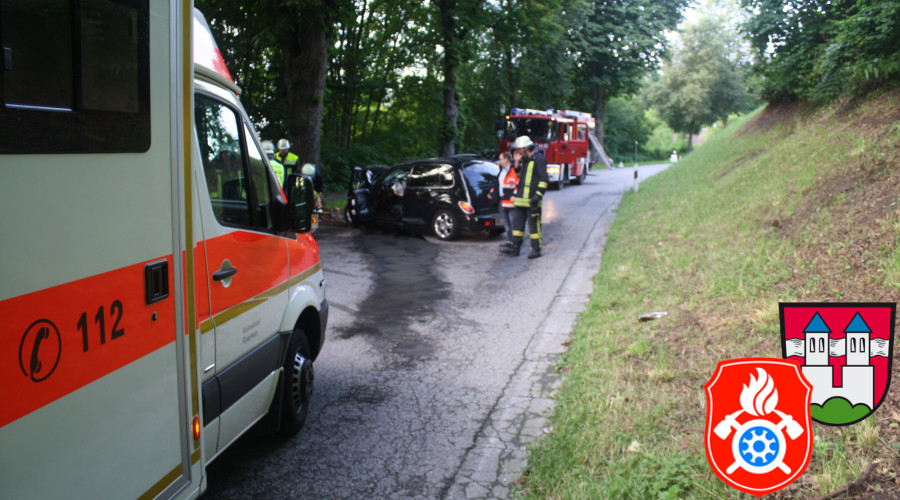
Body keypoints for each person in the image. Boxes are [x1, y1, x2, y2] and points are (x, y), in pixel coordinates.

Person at [500, 135, 548, 258]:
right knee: (517, 227)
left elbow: (544, 180)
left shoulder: (539, 159)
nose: (518, 152)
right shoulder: (525, 161)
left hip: (532, 201)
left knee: (534, 227)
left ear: (525, 148)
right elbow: (519, 177)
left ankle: (536, 250)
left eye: (519, 150)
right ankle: (515, 249)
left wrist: (537, 196)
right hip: (520, 201)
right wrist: (516, 162)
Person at [497, 151, 518, 248]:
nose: (499, 161)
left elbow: (519, 184)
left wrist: (515, 194)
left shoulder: (514, 171)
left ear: (506, 159)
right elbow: (498, 184)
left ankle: (515, 244)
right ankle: (510, 242)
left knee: (513, 224)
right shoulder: (502, 171)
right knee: (506, 224)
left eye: (500, 159)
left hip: (511, 203)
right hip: (503, 201)